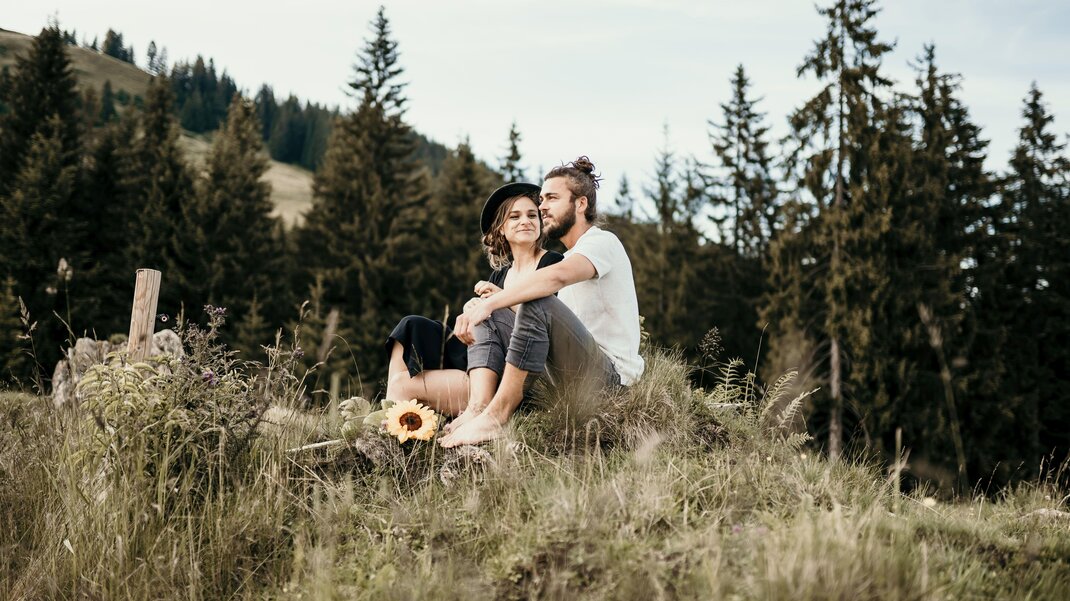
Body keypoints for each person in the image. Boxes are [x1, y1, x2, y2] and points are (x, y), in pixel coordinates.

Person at [440, 156, 644, 447]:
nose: (542, 206)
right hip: (564, 378)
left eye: (552, 198)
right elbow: (547, 328)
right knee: (488, 310)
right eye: (542, 199)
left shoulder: (602, 243)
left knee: (534, 301)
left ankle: (496, 417)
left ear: (580, 204)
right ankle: (478, 408)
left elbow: (555, 279)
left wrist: (492, 304)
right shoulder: (571, 255)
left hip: (609, 382)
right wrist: (490, 304)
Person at [383, 183, 563, 416]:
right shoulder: (501, 275)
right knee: (411, 325)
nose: (525, 221)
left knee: (403, 384)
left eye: (532, 215)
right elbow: (487, 329)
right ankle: (389, 411)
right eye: (515, 216)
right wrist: (473, 309)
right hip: (485, 355)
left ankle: (397, 412)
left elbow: (550, 323)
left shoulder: (552, 263)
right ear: (501, 229)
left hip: (517, 366)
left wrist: (498, 300)